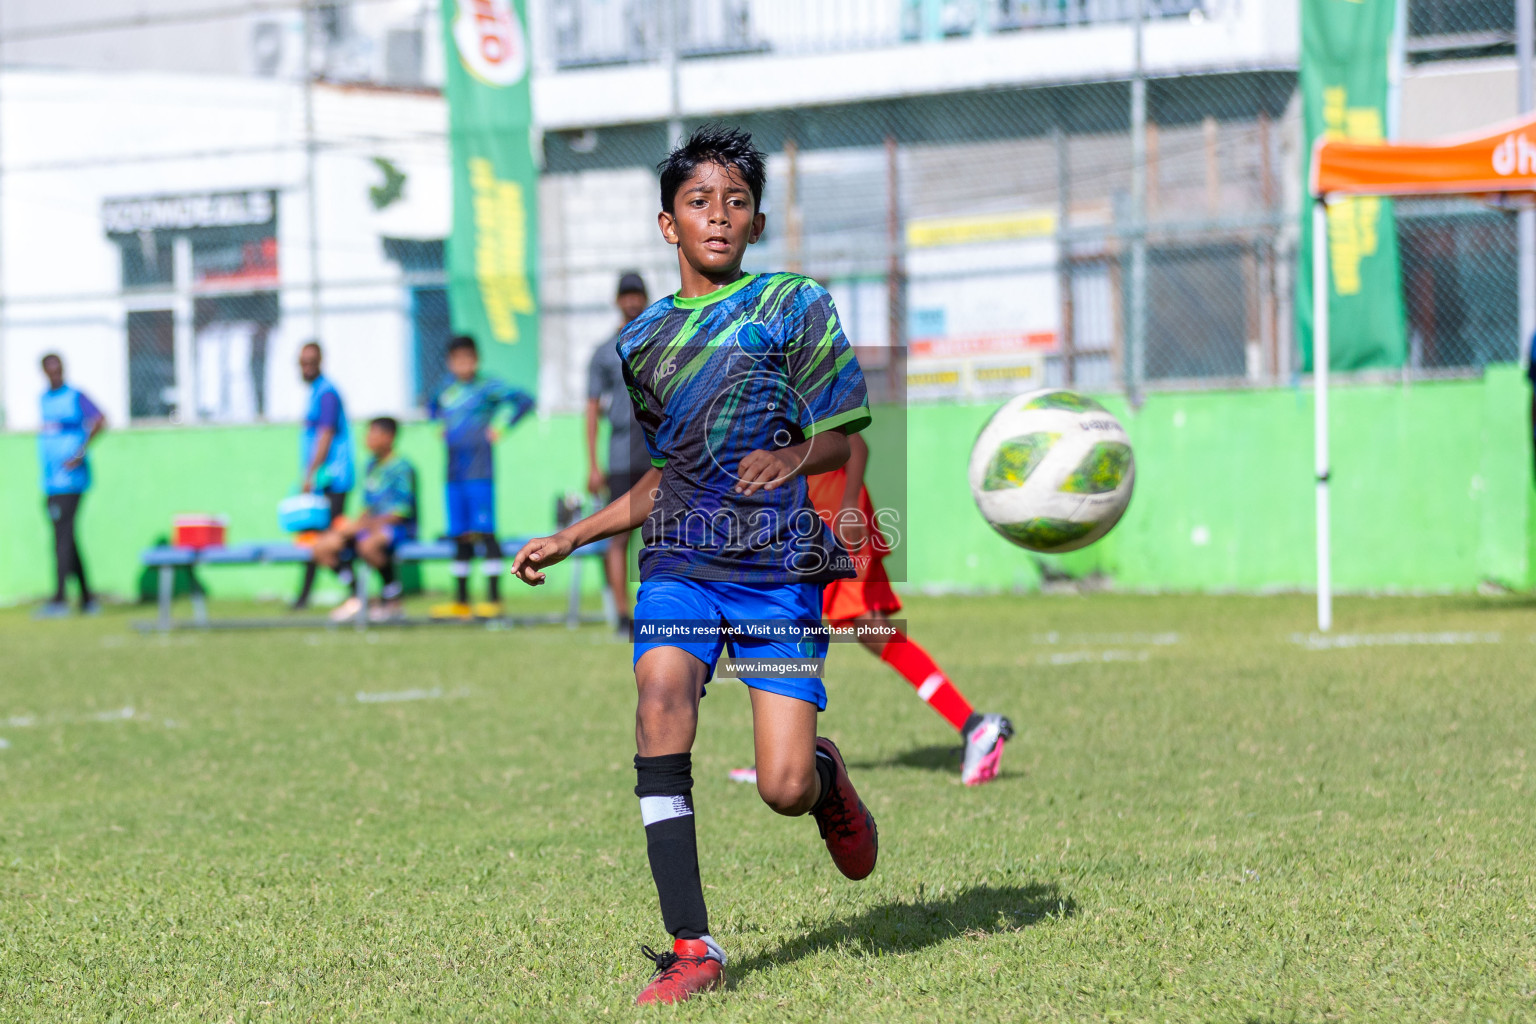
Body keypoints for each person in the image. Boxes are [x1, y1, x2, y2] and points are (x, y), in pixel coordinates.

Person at [512, 124, 878, 1005]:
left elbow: (844, 435)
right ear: (669, 224)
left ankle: (823, 777)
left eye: (737, 202)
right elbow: (669, 474)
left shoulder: (795, 306)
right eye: (699, 201)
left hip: (777, 573)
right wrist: (579, 533)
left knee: (781, 788)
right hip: (678, 564)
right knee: (659, 700)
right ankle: (693, 947)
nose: (719, 216)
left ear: (755, 222)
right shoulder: (641, 345)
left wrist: (802, 467)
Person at [811, 433, 1014, 784]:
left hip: (838, 525)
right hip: (805, 531)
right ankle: (975, 725)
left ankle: (976, 726)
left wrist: (848, 506)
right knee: (850, 632)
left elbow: (857, 443)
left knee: (853, 629)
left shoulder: (797, 385)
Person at [428, 335, 534, 620]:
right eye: (457, 359)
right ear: (450, 363)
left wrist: (502, 428)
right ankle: (461, 601)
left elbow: (525, 400)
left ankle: (494, 598)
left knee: (485, 532)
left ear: (476, 359)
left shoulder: (488, 386)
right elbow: (432, 406)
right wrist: (438, 425)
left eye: (468, 358)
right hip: (453, 475)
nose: (463, 364)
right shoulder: (445, 389)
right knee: (460, 535)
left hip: (479, 472)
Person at [586, 271, 655, 633]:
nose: (631, 301)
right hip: (620, 458)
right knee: (618, 536)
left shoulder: (660, 344)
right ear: (617, 300)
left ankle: (656, 611)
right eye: (625, 295)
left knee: (662, 534)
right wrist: (593, 464)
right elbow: (592, 409)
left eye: (637, 294)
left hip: (657, 455)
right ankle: (624, 617)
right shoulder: (603, 352)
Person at [311, 417, 418, 623]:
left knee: (368, 545)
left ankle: (392, 598)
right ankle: (358, 596)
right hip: (370, 526)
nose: (367, 439)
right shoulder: (370, 465)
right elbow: (368, 506)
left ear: (389, 437)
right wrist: (350, 525)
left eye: (373, 434)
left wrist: (362, 526)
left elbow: (400, 512)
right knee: (322, 547)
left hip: (398, 527)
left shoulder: (402, 468)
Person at [35, 353, 105, 618]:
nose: (56, 374)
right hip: (51, 481)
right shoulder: (43, 399)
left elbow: (100, 419)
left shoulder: (76, 396)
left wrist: (79, 453)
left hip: (71, 481)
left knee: (61, 540)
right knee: (66, 538)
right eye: (50, 371)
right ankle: (87, 599)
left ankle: (60, 599)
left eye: (59, 370)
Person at [292, 341, 355, 611]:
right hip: (323, 480)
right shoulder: (316, 393)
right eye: (302, 362)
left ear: (320, 362)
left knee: (328, 540)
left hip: (333, 480)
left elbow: (325, 435)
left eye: (311, 362)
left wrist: (310, 473)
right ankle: (304, 597)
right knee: (314, 539)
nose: (306, 367)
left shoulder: (327, 393)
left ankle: (356, 589)